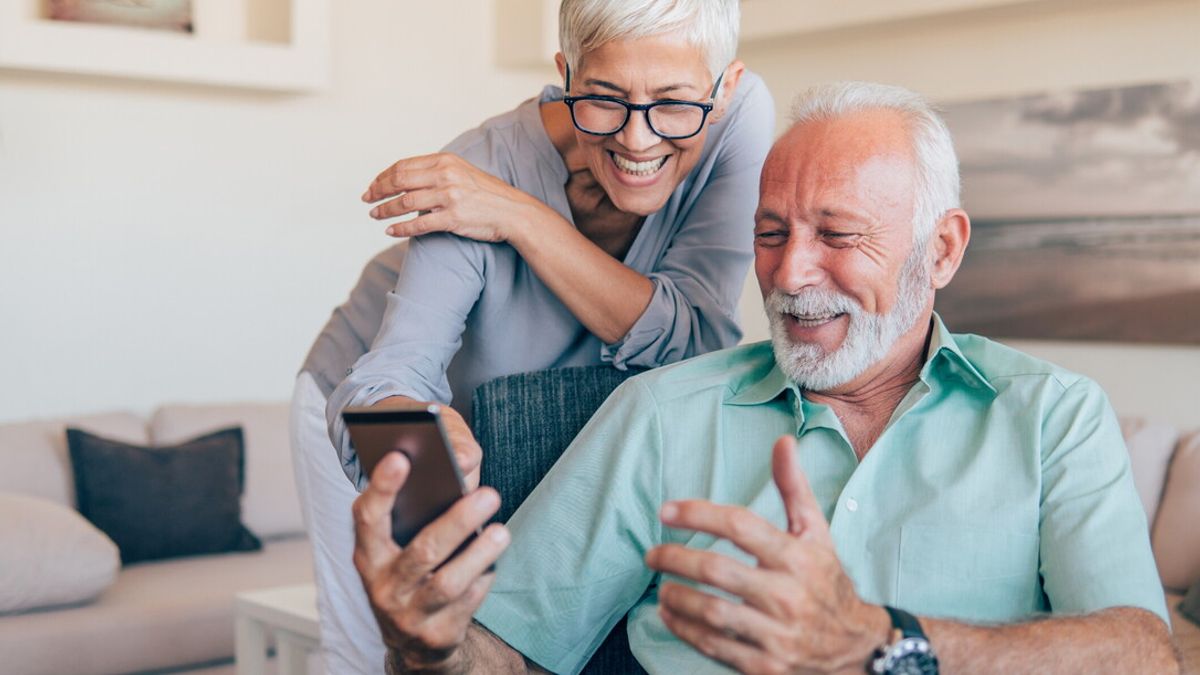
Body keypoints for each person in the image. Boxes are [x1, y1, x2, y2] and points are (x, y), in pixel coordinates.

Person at [349, 81, 1179, 675]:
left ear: (944, 250)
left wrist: (875, 642)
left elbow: (1143, 654)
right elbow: (501, 651)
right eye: (771, 232)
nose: (789, 275)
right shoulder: (662, 413)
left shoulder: (1051, 415)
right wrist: (430, 645)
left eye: (839, 234)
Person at [290, 1, 775, 672]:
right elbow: (384, 379)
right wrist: (421, 431)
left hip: (543, 402)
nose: (639, 140)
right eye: (604, 99)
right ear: (566, 72)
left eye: (673, 104)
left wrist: (518, 216)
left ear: (724, 89)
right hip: (356, 398)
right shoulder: (473, 170)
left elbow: (697, 343)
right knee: (375, 649)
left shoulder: (738, 120)